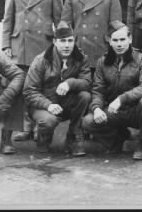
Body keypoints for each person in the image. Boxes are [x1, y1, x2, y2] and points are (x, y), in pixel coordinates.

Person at [2, 0, 63, 141]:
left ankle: (40, 127)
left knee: (41, 87)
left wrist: (61, 48)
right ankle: (26, 128)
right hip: (19, 45)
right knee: (20, 87)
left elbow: (60, 20)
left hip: (43, 46)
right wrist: (6, 45)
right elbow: (8, 19)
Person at [82, 21, 142, 160]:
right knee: (88, 121)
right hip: (113, 111)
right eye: (115, 40)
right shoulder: (103, 62)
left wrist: (122, 99)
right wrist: (97, 108)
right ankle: (116, 139)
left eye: (122, 39)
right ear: (109, 41)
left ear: (130, 39)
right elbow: (98, 90)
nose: (119, 44)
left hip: (135, 111)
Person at [23, 21, 92, 156]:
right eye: (62, 41)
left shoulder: (81, 58)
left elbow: (87, 82)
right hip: (42, 106)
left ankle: (73, 137)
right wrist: (48, 105)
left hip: (65, 103)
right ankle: (44, 137)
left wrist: (70, 83)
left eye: (70, 41)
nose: (67, 45)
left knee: (85, 96)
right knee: (48, 121)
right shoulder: (41, 60)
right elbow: (29, 91)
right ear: (55, 41)